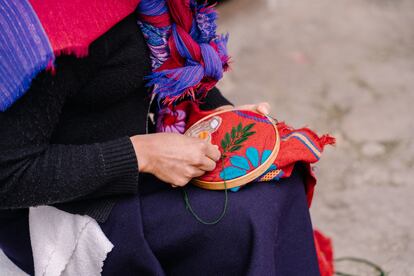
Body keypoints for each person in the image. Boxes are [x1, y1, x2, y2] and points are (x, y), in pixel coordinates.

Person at [0, 1, 321, 275]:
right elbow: (9, 174)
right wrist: (142, 154)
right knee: (251, 215)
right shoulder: (43, 26)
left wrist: (221, 116)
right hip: (63, 208)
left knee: (279, 174)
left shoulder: (151, 7)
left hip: (130, 159)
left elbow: (162, 72)